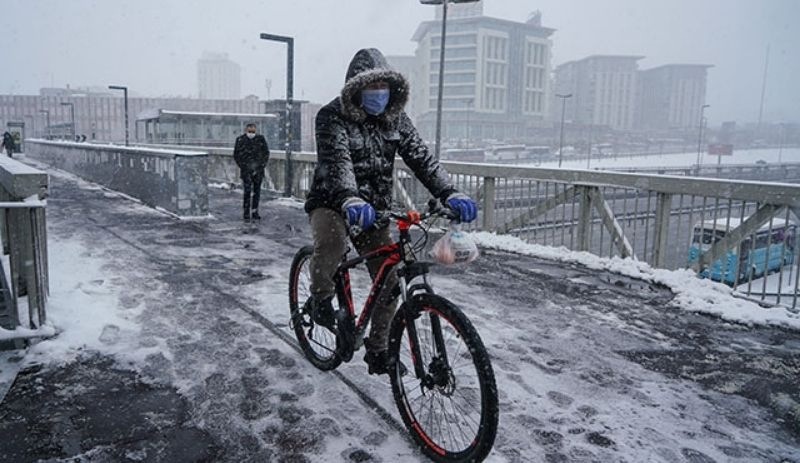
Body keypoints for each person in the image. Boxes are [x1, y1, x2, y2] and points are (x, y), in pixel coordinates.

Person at [303, 48, 477, 375]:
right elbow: (337, 161)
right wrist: (349, 198)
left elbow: (421, 159)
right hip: (333, 200)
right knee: (332, 243)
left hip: (376, 208)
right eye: (372, 87)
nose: (379, 93)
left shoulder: (395, 120)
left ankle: (380, 349)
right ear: (355, 88)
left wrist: (449, 191)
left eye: (384, 86)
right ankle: (320, 298)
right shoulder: (331, 116)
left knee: (389, 281)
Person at [233, 123, 270, 221]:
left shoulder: (260, 139)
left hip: (258, 170)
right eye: (250, 131)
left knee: (256, 192)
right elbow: (236, 155)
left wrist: (261, 166)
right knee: (247, 191)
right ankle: (246, 212)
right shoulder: (240, 140)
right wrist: (243, 166)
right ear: (246, 130)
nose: (251, 133)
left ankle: (254, 212)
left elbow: (266, 153)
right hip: (246, 170)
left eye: (253, 131)